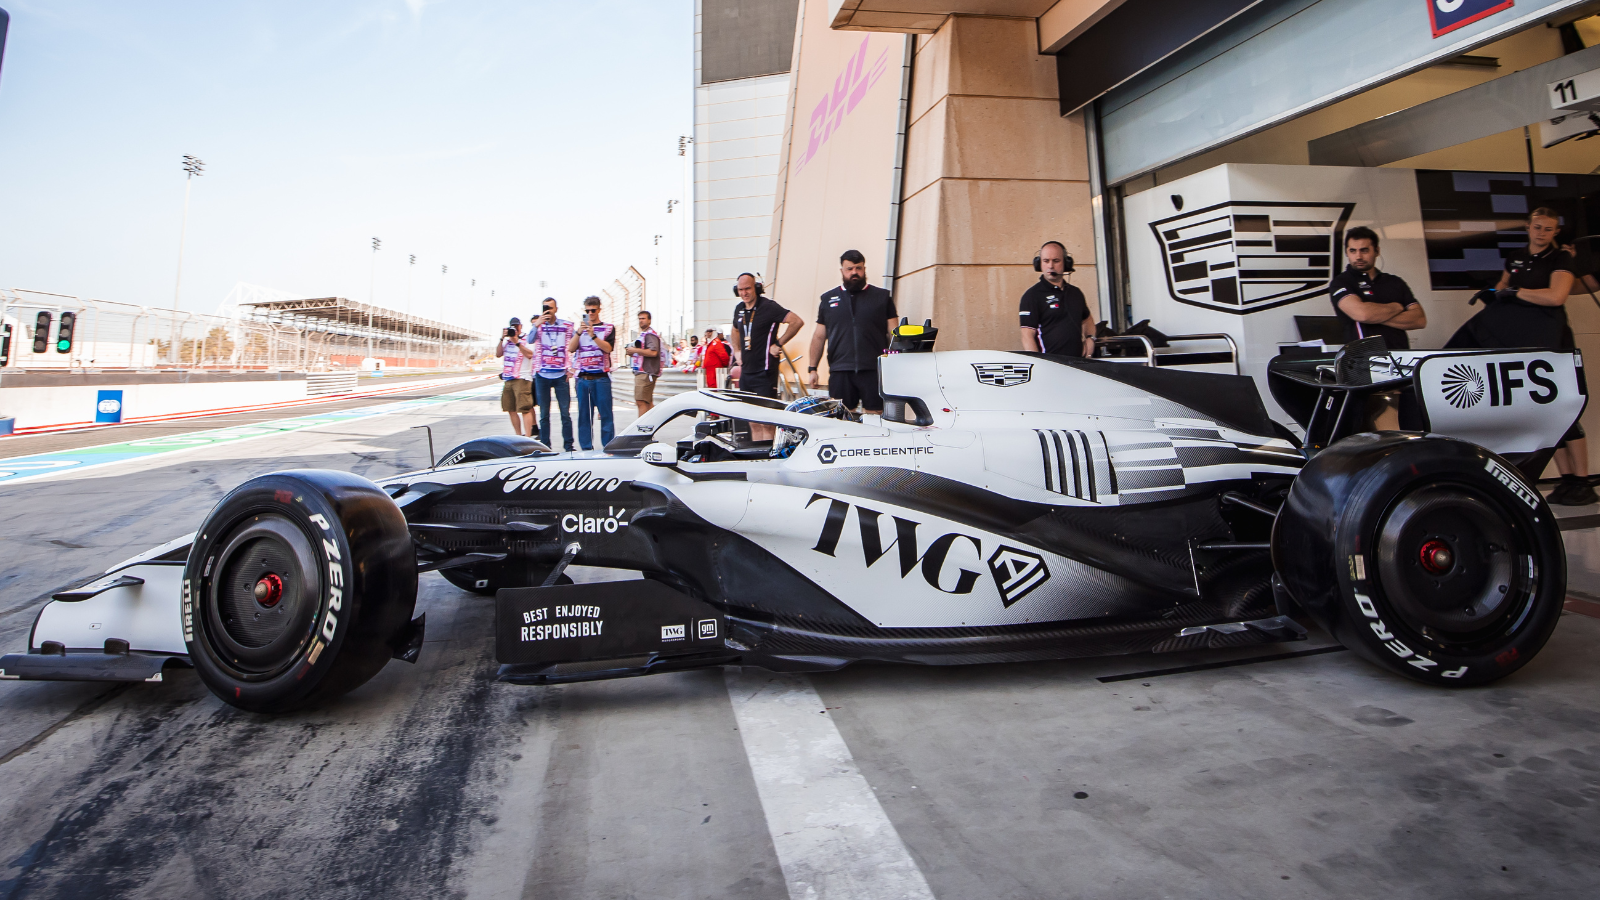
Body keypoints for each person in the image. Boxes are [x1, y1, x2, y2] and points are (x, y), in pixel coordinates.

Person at [1447, 208, 1590, 504]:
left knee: (1566, 412)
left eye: (1549, 229)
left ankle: (1582, 480)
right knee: (1543, 414)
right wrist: (1493, 293)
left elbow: (1556, 296)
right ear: (1527, 227)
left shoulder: (1560, 258)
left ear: (1555, 232)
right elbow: (1502, 287)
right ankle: (1565, 479)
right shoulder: (1515, 257)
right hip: (1521, 343)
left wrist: (1518, 292)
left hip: (1552, 344)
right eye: (1537, 227)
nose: (1542, 233)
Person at [807, 250, 898, 414]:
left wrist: (896, 365)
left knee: (875, 418)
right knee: (842, 419)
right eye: (849, 269)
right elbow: (819, 336)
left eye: (858, 268)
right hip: (840, 371)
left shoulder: (882, 298)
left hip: (873, 370)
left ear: (864, 269)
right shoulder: (828, 299)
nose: (854, 272)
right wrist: (812, 369)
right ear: (842, 270)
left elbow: (894, 333)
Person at [731, 273, 803, 441]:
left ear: (756, 288)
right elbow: (735, 330)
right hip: (746, 373)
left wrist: (778, 344)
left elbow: (797, 321)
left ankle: (768, 457)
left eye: (748, 288)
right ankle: (758, 456)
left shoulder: (769, 307)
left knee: (766, 422)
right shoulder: (739, 309)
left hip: (764, 373)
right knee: (753, 421)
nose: (744, 293)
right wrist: (737, 350)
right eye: (740, 290)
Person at [1328, 226, 1425, 350]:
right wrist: (1397, 307)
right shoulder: (1341, 282)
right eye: (1353, 251)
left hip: (1400, 358)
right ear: (1346, 252)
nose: (1358, 256)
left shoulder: (1394, 282)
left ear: (1377, 251)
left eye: (1364, 250)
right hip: (1362, 361)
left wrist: (1375, 316)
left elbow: (1419, 319)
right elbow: (1363, 314)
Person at [1019, 241, 1093, 357]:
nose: (1051, 266)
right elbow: (1027, 336)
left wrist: (1090, 338)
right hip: (1051, 366)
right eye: (1046, 261)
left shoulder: (1076, 293)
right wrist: (1039, 364)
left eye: (1056, 261)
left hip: (1078, 364)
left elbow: (1087, 319)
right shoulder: (1032, 296)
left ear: (1066, 263)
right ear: (1039, 264)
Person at [567, 295, 615, 451]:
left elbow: (608, 348)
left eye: (593, 310)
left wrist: (593, 334)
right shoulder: (579, 330)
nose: (591, 313)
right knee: (584, 417)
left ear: (599, 310)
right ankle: (586, 448)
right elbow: (571, 348)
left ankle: (608, 447)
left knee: (606, 415)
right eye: (587, 311)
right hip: (583, 378)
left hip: (601, 377)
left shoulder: (608, 328)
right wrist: (580, 332)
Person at [531, 297, 576, 452]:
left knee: (565, 413)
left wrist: (573, 367)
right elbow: (530, 340)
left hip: (560, 375)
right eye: (545, 307)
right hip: (542, 375)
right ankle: (545, 447)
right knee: (544, 414)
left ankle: (569, 446)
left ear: (556, 308)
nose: (548, 310)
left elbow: (578, 342)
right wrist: (537, 324)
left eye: (550, 307)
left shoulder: (566, 326)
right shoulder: (538, 326)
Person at [496, 317, 536, 437]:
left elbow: (530, 355)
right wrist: (502, 338)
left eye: (516, 326)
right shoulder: (507, 341)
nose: (515, 329)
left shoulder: (527, 338)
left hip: (522, 378)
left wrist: (517, 342)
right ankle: (518, 435)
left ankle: (528, 437)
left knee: (525, 408)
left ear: (521, 326)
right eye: (512, 326)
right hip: (508, 378)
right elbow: (498, 354)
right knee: (510, 408)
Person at [626, 310, 662, 415]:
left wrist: (635, 350)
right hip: (644, 372)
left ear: (649, 320)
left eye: (643, 318)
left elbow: (653, 352)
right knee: (647, 402)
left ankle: (642, 428)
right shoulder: (644, 334)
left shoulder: (650, 335)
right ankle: (651, 425)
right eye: (639, 319)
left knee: (641, 401)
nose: (641, 321)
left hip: (646, 373)